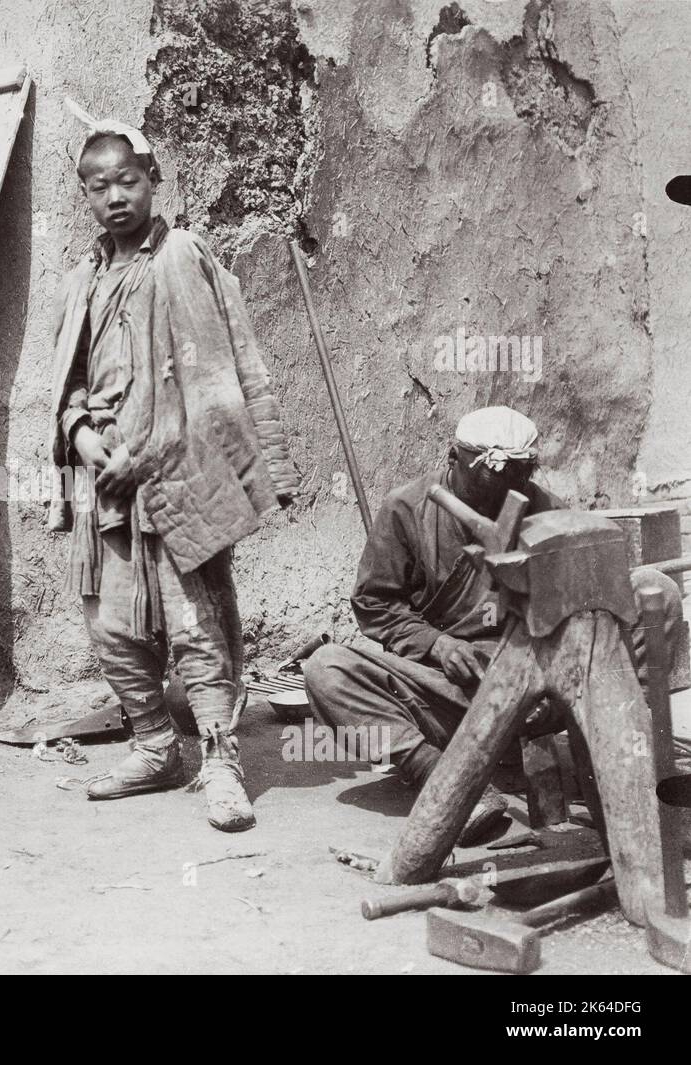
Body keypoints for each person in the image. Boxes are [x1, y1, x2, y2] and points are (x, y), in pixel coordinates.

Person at [48, 101, 298, 832]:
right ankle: (157, 745)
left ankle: (221, 760)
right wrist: (84, 439)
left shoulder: (182, 257)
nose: (115, 196)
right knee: (111, 625)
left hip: (175, 474)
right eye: (98, 186)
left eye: (127, 179)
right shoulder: (80, 282)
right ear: (86, 196)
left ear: (154, 178)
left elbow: (210, 375)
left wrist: (149, 451)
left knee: (196, 623)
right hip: (107, 486)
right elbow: (65, 385)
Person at [303, 405, 683, 845]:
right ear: (453, 458)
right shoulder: (406, 509)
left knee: (654, 590)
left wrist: (551, 676)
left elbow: (584, 611)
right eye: (487, 480)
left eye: (517, 478)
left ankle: (617, 747)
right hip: (454, 691)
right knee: (327, 668)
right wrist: (437, 645)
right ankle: (437, 777)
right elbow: (374, 604)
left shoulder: (545, 511)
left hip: (540, 685)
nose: (502, 493)